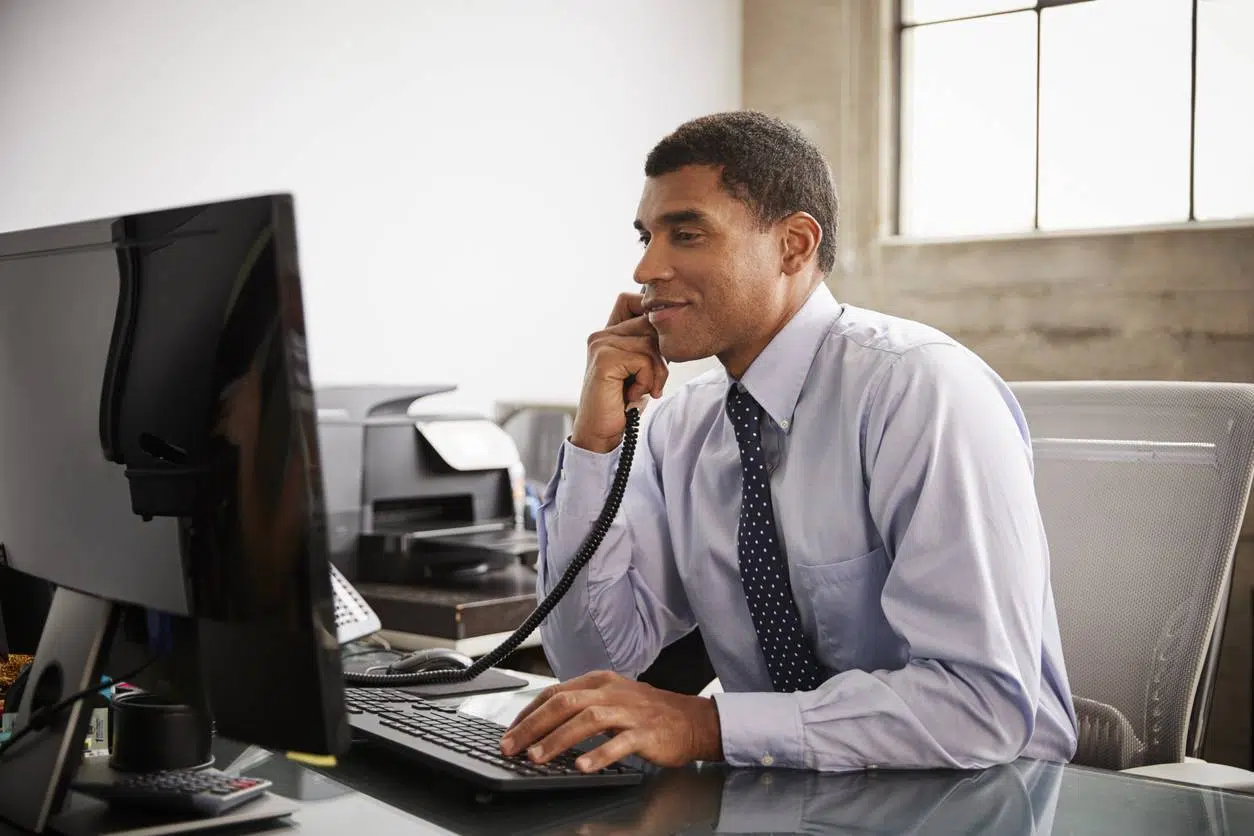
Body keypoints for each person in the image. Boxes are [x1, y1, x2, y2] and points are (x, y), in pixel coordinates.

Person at [500, 111, 1078, 774]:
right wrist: (595, 442)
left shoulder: (919, 391)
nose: (646, 267)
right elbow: (593, 660)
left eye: (685, 234)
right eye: (646, 236)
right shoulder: (685, 428)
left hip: (984, 796)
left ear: (794, 246)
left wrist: (709, 724)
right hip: (798, 797)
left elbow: (981, 707)